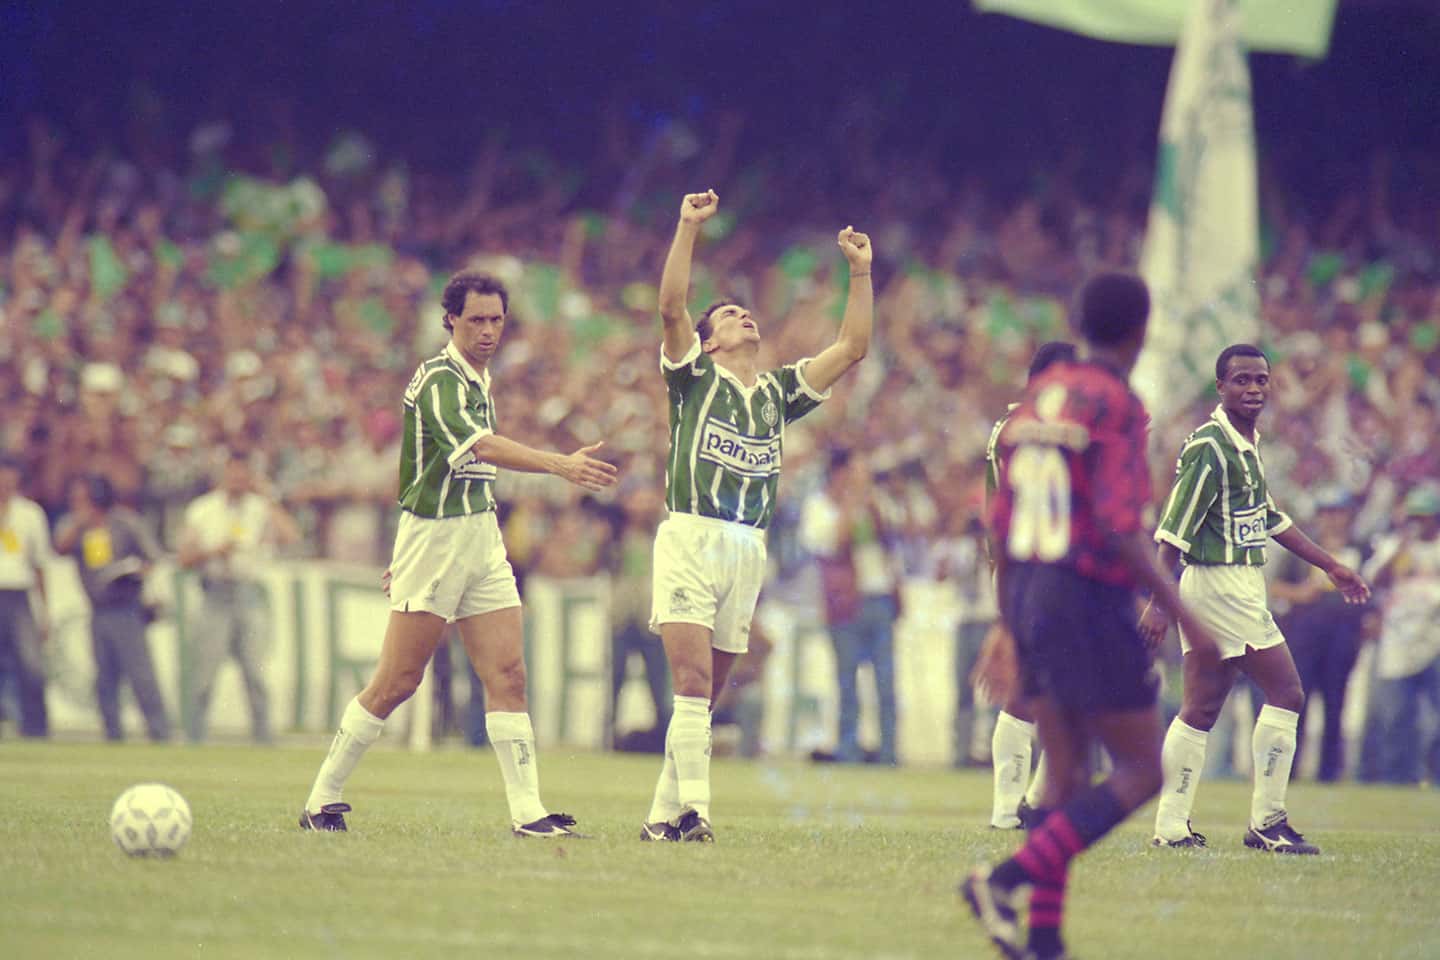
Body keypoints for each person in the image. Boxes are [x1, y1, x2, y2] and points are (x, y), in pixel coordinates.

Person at [299, 269, 617, 837]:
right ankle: (321, 798)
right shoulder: (439, 379)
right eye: (476, 320)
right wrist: (559, 464)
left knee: (509, 674)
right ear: (450, 320)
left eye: (496, 319)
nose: (488, 330)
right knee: (398, 680)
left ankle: (528, 813)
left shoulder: (478, 379)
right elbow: (482, 447)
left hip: (481, 536)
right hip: (437, 538)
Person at [961, 272, 1222, 960]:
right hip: (1085, 597)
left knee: (1064, 775)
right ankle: (1002, 881)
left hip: (1029, 591)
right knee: (1141, 770)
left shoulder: (1036, 401)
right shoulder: (1116, 402)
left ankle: (1045, 939)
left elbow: (1001, 522)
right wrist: (1185, 614)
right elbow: (1118, 525)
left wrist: (1006, 621)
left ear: (1078, 323)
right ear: (1141, 330)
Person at [642, 189, 873, 842]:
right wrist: (688, 227)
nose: (744, 316)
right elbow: (671, 306)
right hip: (692, 535)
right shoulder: (692, 378)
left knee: (707, 695)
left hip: (747, 546)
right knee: (690, 682)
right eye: (730, 315)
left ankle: (660, 817)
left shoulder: (777, 392)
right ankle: (696, 811)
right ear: (709, 342)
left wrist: (860, 273)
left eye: (746, 312)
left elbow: (853, 345)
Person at [1141, 344, 1370, 854]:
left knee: (1201, 706)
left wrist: (1329, 565)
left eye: (1261, 380)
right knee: (1287, 692)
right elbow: (1174, 528)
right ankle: (1268, 821)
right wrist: (1157, 601)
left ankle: (1171, 826)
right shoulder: (1210, 446)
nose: (1253, 389)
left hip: (1224, 583)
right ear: (1220, 387)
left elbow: (1268, 517)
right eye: (1241, 380)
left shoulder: (1245, 442)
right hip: (1222, 583)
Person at [973, 340, 1076, 829]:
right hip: (1028, 568)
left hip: (1059, 569)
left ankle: (1033, 802)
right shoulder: (1019, 428)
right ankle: (1006, 808)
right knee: (1027, 683)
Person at [178, 456, 300, 744]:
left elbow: (291, 535)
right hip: (215, 592)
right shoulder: (203, 509)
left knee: (255, 673)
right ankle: (194, 739)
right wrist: (213, 551)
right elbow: (184, 556)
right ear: (223, 476)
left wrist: (268, 496)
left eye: (243, 476)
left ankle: (263, 739)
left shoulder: (259, 508)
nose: (237, 481)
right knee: (204, 674)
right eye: (232, 475)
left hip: (247, 592)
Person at [800, 447, 899, 766]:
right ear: (839, 472)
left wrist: (872, 508)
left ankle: (889, 750)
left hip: (879, 596)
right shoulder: (819, 506)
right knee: (847, 679)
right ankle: (849, 748)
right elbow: (833, 543)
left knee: (885, 680)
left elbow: (892, 540)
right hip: (844, 601)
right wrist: (851, 504)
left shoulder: (876, 502)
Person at [54, 474, 171, 741]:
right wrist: (79, 524)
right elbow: (59, 548)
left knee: (141, 675)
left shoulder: (125, 523)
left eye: (83, 499)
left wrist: (133, 571)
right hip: (98, 609)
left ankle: (159, 732)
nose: (77, 503)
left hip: (127, 607)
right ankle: (112, 734)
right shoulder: (76, 526)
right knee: (105, 677)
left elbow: (153, 558)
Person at [1268, 491, 1367, 781]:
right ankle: (1290, 769)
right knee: (1298, 701)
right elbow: (1274, 586)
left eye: (1338, 513)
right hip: (1305, 635)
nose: (1332, 520)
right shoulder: (1302, 549)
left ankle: (1329, 772)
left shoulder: (1360, 549)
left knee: (1336, 704)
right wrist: (1301, 593)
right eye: (1327, 513)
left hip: (1342, 636)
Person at [0, 452, 53, 738]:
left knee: (30, 665)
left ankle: (35, 728)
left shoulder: (30, 514)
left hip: (18, 594)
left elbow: (40, 565)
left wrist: (44, 610)